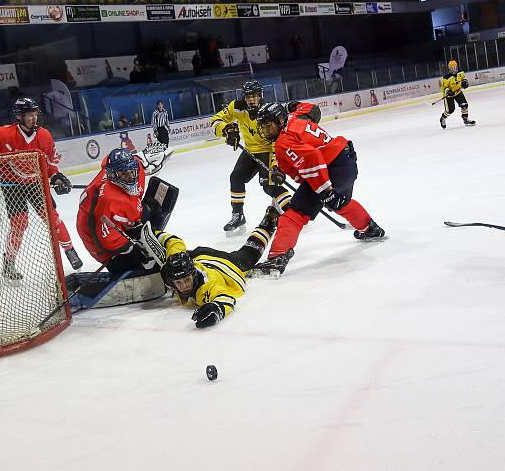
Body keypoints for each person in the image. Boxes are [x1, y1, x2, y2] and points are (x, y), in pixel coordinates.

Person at [251, 103, 386, 278]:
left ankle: (276, 259)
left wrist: (324, 191)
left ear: (280, 120)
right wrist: (292, 105)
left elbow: (313, 159)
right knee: (339, 203)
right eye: (263, 128)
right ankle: (370, 229)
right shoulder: (297, 116)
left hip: (329, 169)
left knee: (295, 213)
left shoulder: (284, 141)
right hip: (346, 160)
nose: (266, 131)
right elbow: (312, 109)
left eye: (269, 126)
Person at [0, 98, 82, 278]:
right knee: (20, 225)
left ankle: (70, 251)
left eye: (35, 114)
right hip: (12, 186)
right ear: (19, 116)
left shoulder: (44, 135)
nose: (33, 118)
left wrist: (56, 177)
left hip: (35, 183)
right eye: (29, 115)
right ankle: (9, 263)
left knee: (53, 219)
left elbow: (51, 164)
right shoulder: (3, 135)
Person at [161, 206, 280, 327]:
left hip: (230, 266)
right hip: (202, 255)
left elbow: (226, 298)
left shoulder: (207, 287)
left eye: (187, 280)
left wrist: (216, 309)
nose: (184, 286)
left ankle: (268, 224)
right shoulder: (174, 263)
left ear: (193, 275)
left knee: (250, 253)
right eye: (179, 282)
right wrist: (153, 231)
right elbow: (174, 241)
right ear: (172, 281)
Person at [210, 79, 292, 236]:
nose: (251, 100)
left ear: (260, 95)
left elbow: (278, 139)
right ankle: (238, 215)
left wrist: (276, 165)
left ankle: (293, 212)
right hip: (250, 151)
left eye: (254, 96)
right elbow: (215, 120)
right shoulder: (237, 106)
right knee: (236, 177)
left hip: (269, 151)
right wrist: (226, 129)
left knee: (270, 186)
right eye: (248, 97)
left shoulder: (269, 111)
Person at [77, 148, 153, 278]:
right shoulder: (108, 198)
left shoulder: (131, 166)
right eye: (124, 174)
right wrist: (129, 247)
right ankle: (114, 262)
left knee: (146, 214)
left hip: (103, 219)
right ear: (112, 175)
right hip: (94, 235)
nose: (130, 177)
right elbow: (105, 237)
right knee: (137, 270)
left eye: (132, 171)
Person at [439, 59, 474, 129]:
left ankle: (465, 119)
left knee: (464, 105)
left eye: (455, 67)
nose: (454, 69)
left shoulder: (460, 72)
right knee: (450, 110)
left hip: (458, 92)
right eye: (452, 68)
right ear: (449, 68)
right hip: (449, 96)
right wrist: (448, 91)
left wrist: (465, 82)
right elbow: (443, 88)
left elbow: (463, 78)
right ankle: (442, 118)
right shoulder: (446, 78)